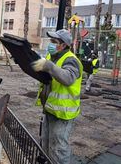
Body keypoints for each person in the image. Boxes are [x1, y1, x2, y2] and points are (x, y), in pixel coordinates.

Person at [31, 29, 83, 164]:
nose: (51, 44)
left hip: (63, 112)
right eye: (51, 41)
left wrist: (49, 67)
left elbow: (68, 78)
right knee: (46, 144)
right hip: (50, 108)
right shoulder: (52, 57)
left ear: (64, 45)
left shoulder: (71, 60)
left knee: (58, 149)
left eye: (54, 42)